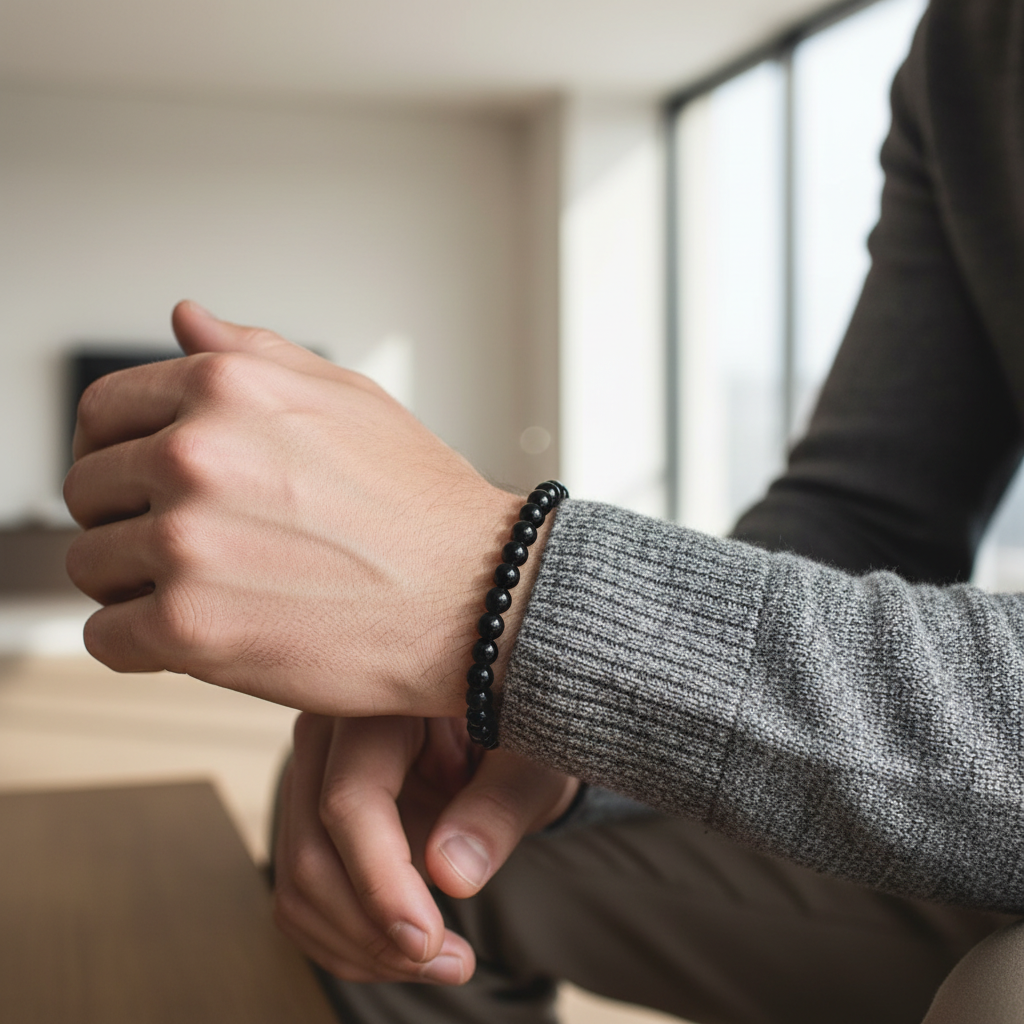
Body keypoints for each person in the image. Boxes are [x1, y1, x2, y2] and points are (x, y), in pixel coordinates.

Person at [63, 0, 1024, 1019]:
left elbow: (519, 591)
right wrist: (557, 730)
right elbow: (859, 517)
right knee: (400, 840)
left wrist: (504, 590)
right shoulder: (967, 45)